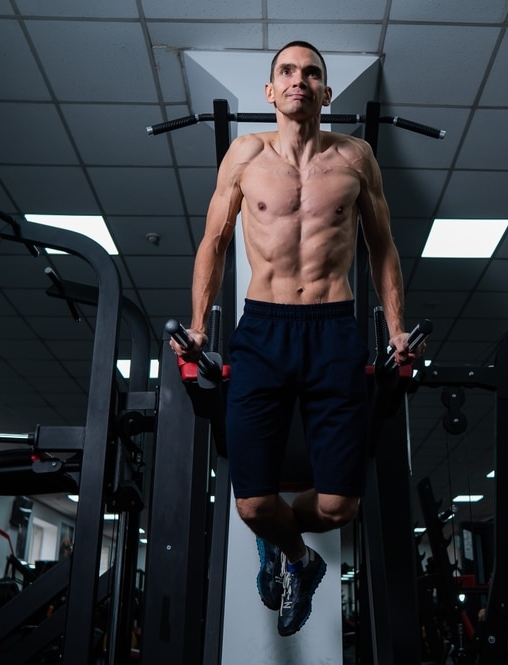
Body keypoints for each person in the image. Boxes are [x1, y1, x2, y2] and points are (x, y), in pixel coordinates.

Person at [169, 40, 421, 637]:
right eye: (286, 72)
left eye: (311, 73)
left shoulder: (356, 157)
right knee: (253, 506)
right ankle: (298, 558)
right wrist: (201, 324)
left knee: (341, 506)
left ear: (326, 91)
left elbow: (382, 248)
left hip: (335, 330)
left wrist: (394, 329)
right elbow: (214, 242)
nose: (298, 81)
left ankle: (292, 546)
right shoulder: (245, 154)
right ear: (269, 90)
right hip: (262, 328)